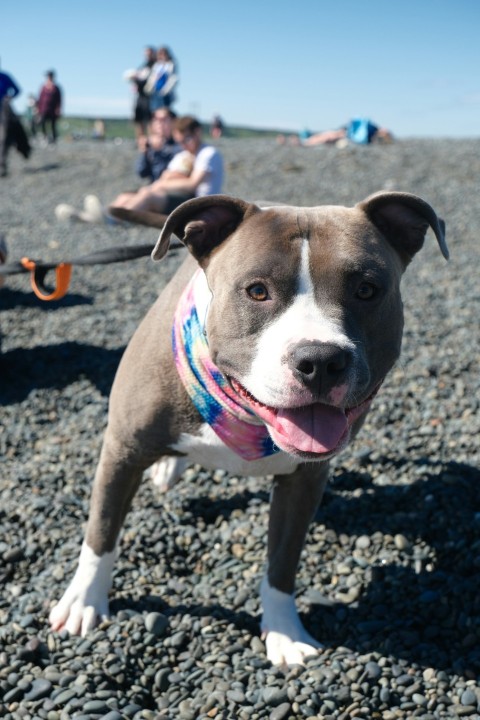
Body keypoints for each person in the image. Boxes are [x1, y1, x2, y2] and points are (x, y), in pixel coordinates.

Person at [109, 115, 223, 218]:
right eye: (180, 142)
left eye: (187, 140)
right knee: (127, 195)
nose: (184, 145)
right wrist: (166, 182)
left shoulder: (208, 153)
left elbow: (192, 184)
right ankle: (108, 213)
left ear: (197, 132)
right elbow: (167, 175)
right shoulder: (185, 154)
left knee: (148, 196)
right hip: (179, 195)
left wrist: (162, 185)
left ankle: (117, 219)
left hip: (197, 205)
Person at [135, 107, 181, 183]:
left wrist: (158, 152)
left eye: (163, 119)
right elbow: (141, 172)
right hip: (154, 188)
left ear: (173, 122)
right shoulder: (150, 143)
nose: (159, 123)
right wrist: (145, 152)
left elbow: (161, 174)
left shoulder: (180, 144)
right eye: (155, 119)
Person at [125, 46, 156, 144]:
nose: (147, 55)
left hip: (150, 96)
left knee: (149, 119)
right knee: (139, 119)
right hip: (140, 95)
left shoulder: (155, 65)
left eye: (149, 53)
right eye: (146, 53)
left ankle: (151, 141)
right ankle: (140, 142)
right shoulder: (143, 65)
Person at [0, 68, 21, 177]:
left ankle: (2, 165)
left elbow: (17, 90)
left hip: (4, 112)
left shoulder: (5, 77)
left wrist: (9, 97)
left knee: (3, 139)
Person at [144, 46, 178, 112]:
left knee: (165, 110)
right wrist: (149, 88)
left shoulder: (171, 64)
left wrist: (166, 90)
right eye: (160, 54)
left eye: (163, 54)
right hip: (155, 91)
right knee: (154, 110)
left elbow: (173, 78)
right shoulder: (156, 65)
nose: (161, 56)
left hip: (165, 92)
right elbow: (152, 78)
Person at [37, 70, 62, 144]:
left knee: (53, 124)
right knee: (43, 123)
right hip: (44, 109)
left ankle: (54, 139)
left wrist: (58, 109)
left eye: (50, 76)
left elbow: (59, 100)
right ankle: (44, 137)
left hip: (53, 109)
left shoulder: (56, 88)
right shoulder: (43, 87)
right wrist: (38, 109)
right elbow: (40, 98)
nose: (49, 77)